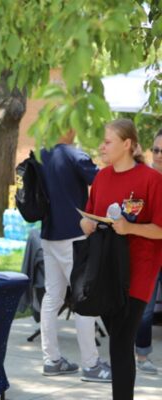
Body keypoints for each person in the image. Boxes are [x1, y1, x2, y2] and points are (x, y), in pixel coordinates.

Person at [81, 119, 162, 400]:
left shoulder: (152, 180)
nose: (102, 147)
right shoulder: (101, 178)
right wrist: (86, 225)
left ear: (127, 144)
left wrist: (130, 228)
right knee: (119, 341)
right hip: (106, 270)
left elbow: (160, 229)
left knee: (120, 341)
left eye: (108, 142)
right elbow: (89, 215)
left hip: (138, 272)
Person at [40, 129, 111, 382]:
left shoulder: (42, 154)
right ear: (68, 128)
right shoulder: (74, 154)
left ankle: (52, 360)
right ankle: (91, 365)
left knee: (52, 297)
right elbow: (104, 180)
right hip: (74, 235)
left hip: (48, 235)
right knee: (84, 299)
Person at [135, 129, 162, 374]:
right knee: (145, 306)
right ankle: (142, 357)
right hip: (149, 252)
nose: (159, 155)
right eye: (155, 150)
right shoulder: (144, 179)